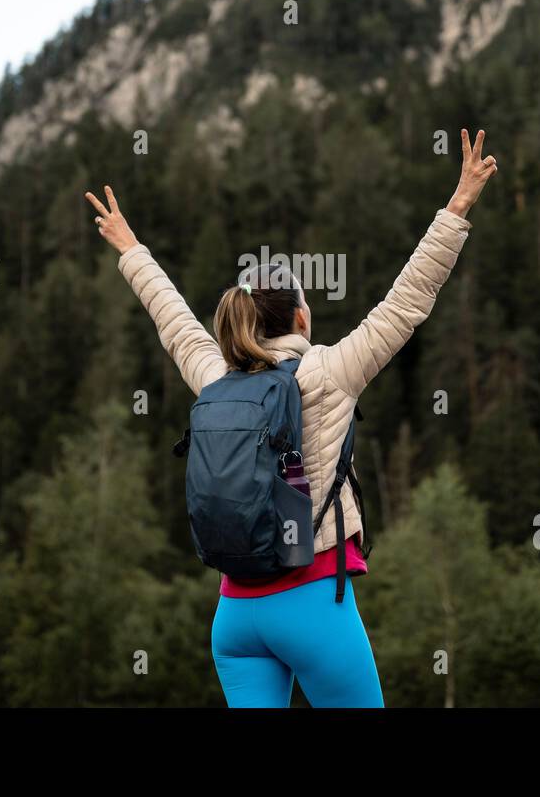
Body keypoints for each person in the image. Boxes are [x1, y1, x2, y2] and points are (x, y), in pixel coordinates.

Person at [84, 128, 497, 707]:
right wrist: (458, 206)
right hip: (308, 606)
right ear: (301, 319)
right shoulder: (329, 373)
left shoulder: (215, 376)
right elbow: (407, 301)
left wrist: (130, 248)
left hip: (234, 617)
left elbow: (171, 316)